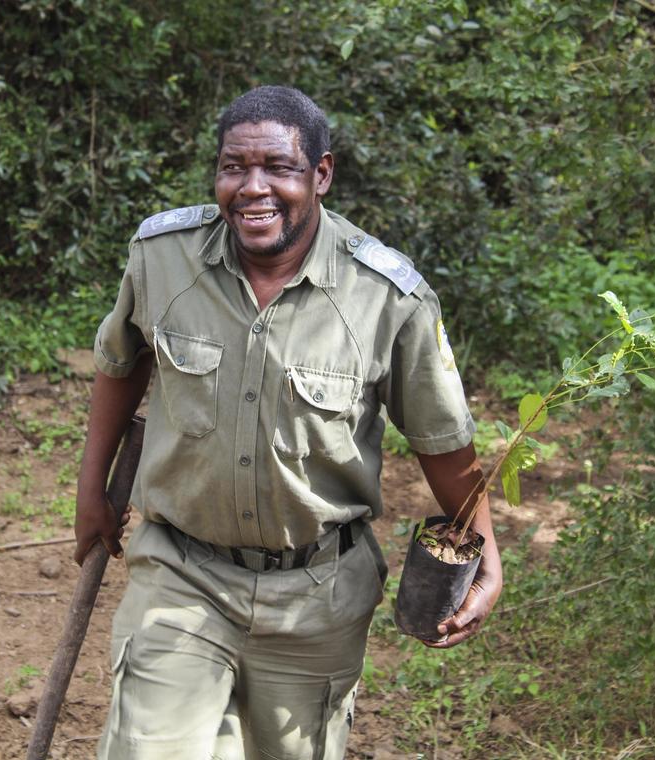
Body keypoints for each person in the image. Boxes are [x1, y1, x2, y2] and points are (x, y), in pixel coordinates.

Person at [74, 85, 501, 760]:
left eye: (277, 168)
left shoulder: (388, 297)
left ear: (321, 174)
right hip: (182, 573)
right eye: (233, 167)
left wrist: (485, 552)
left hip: (316, 595)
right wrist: (92, 488)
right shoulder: (163, 257)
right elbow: (122, 361)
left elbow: (441, 442)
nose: (252, 188)